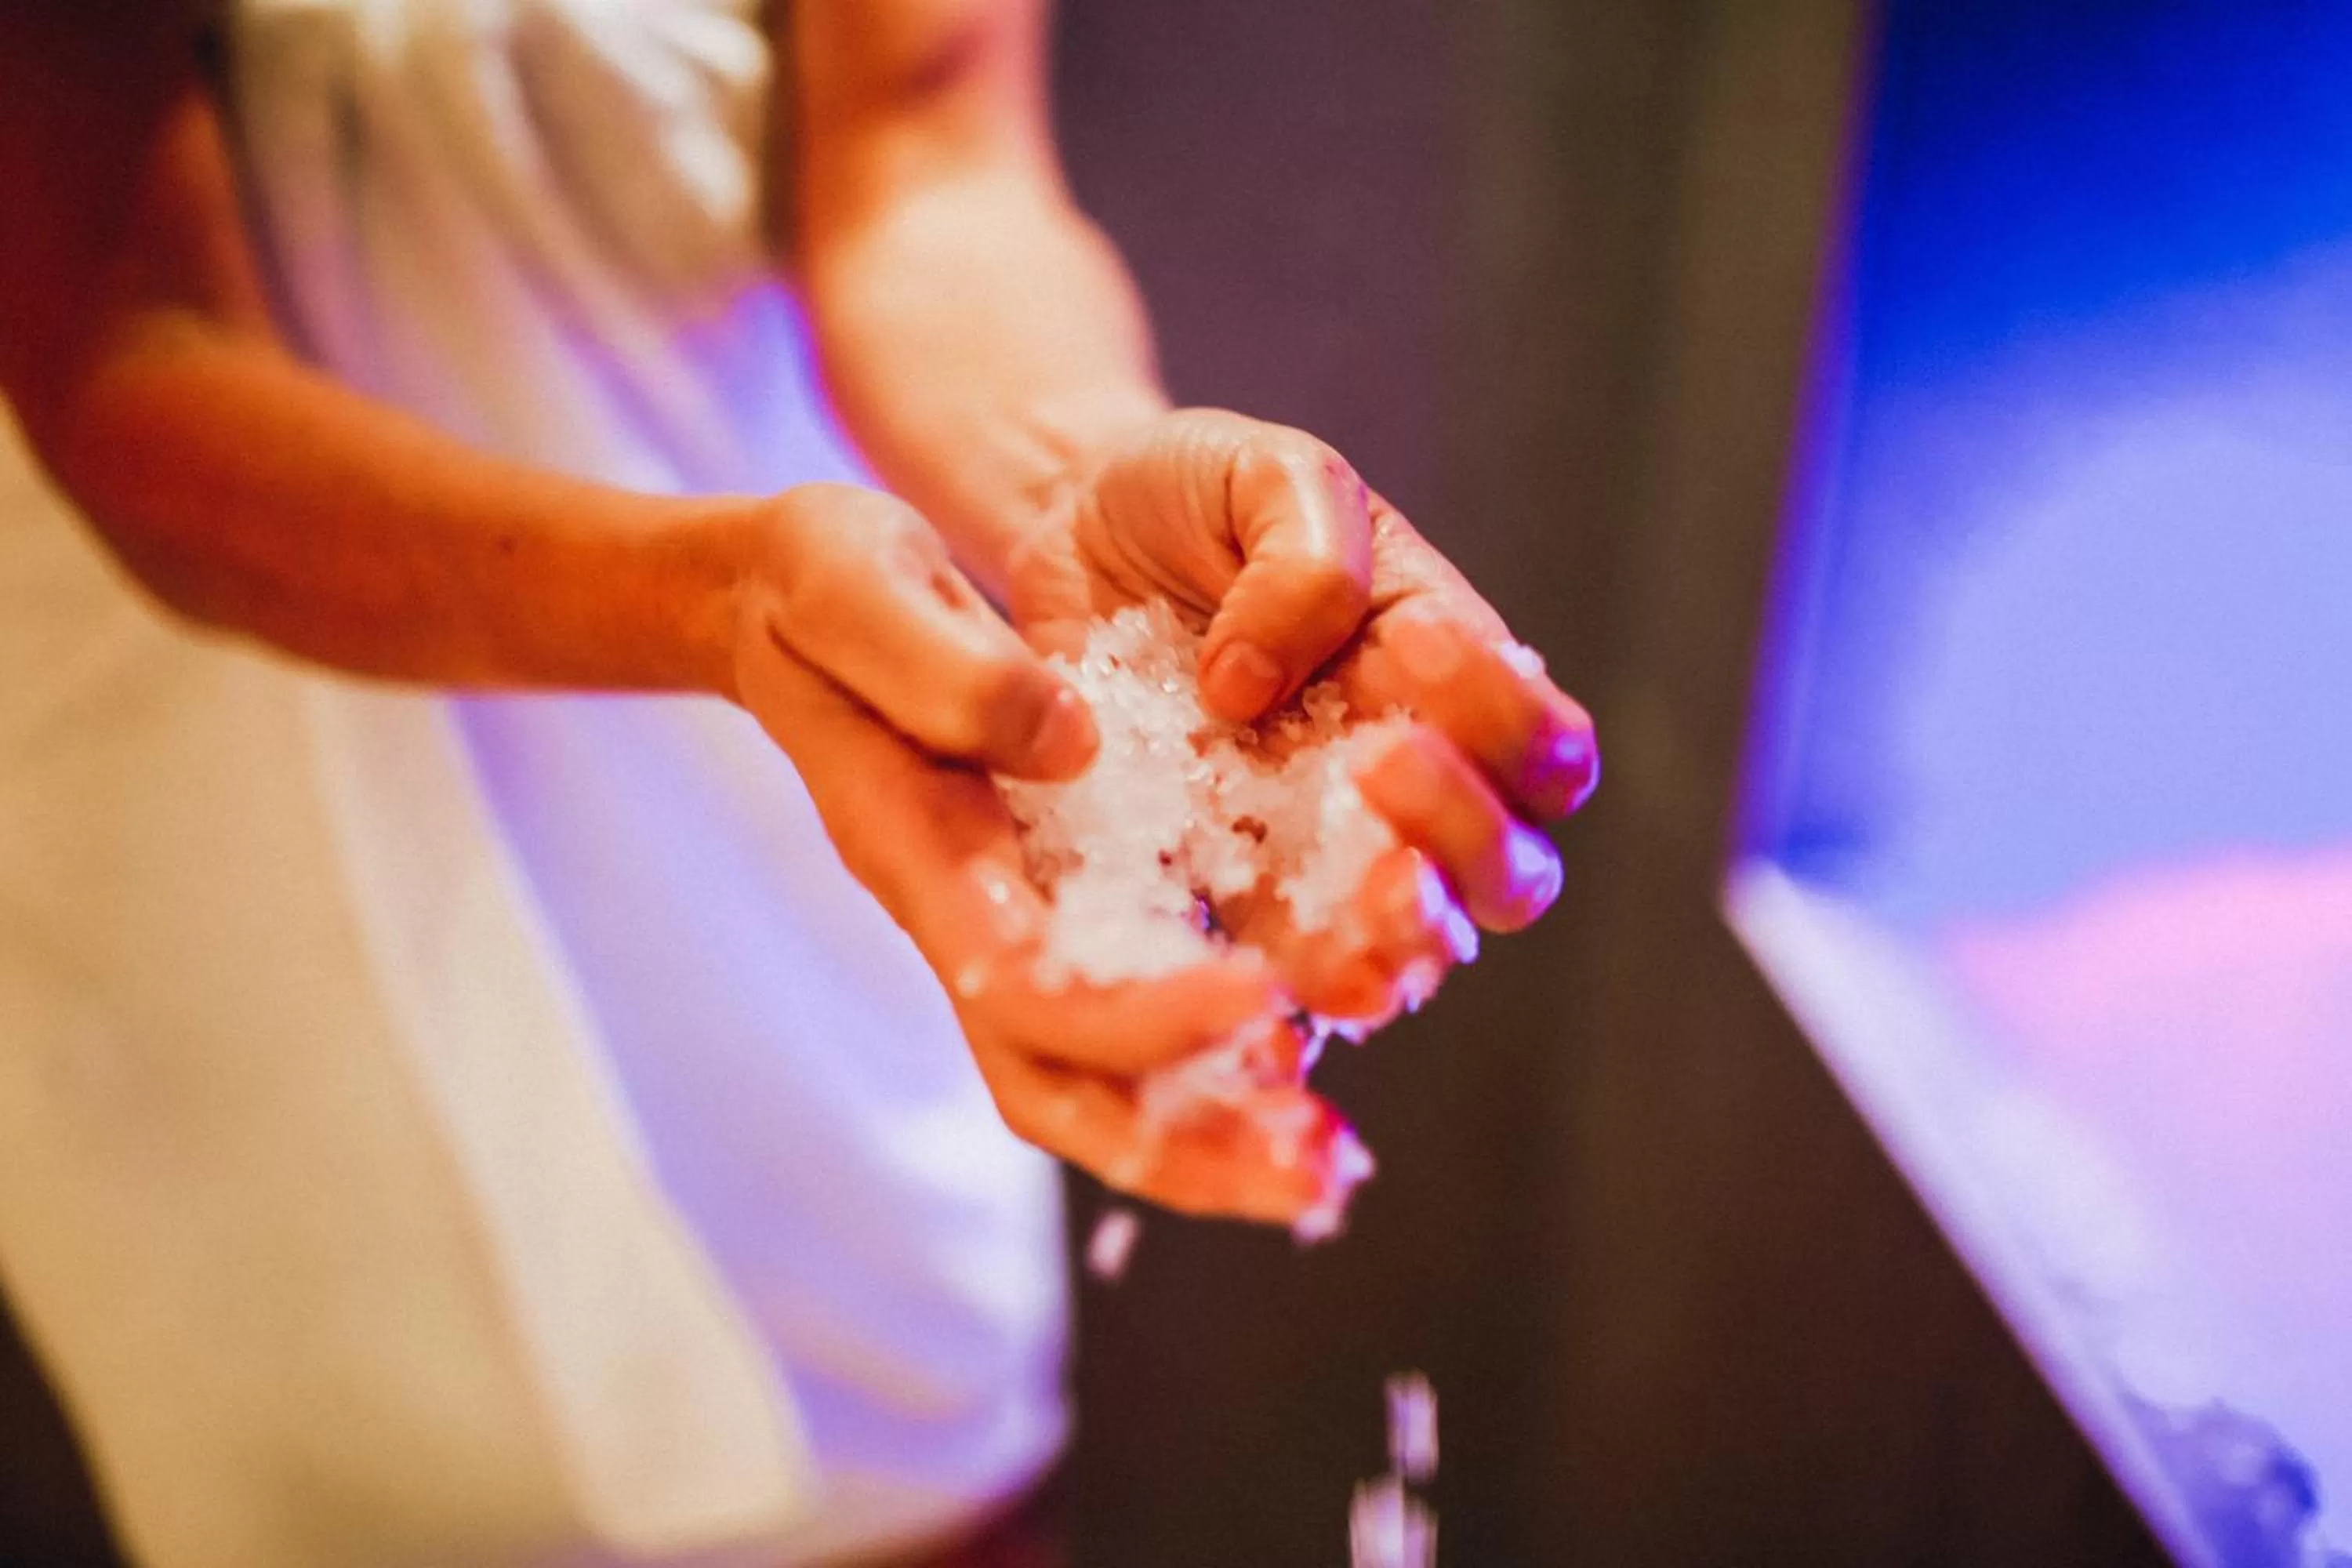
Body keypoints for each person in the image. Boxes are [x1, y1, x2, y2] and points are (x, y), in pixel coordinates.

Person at [0, 2, 1599, 1565]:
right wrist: (719, 601)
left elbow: (927, 163)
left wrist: (1075, 486)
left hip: (817, 800)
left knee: (900, 1463)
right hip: (222, 878)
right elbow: (122, 348)